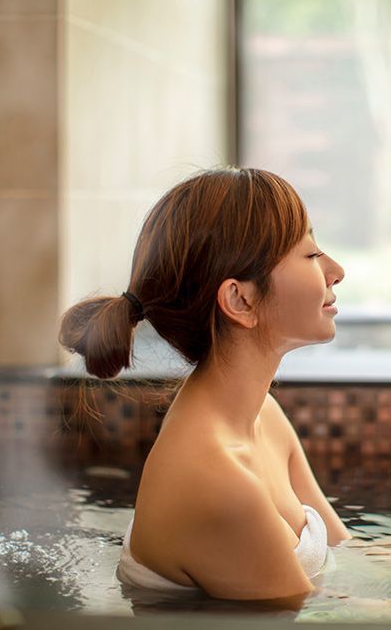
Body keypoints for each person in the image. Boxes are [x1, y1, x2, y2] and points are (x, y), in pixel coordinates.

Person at [58, 167, 352, 610]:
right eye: (310, 254)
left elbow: (344, 551)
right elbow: (326, 614)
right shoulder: (218, 484)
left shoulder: (262, 416)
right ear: (240, 300)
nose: (336, 271)